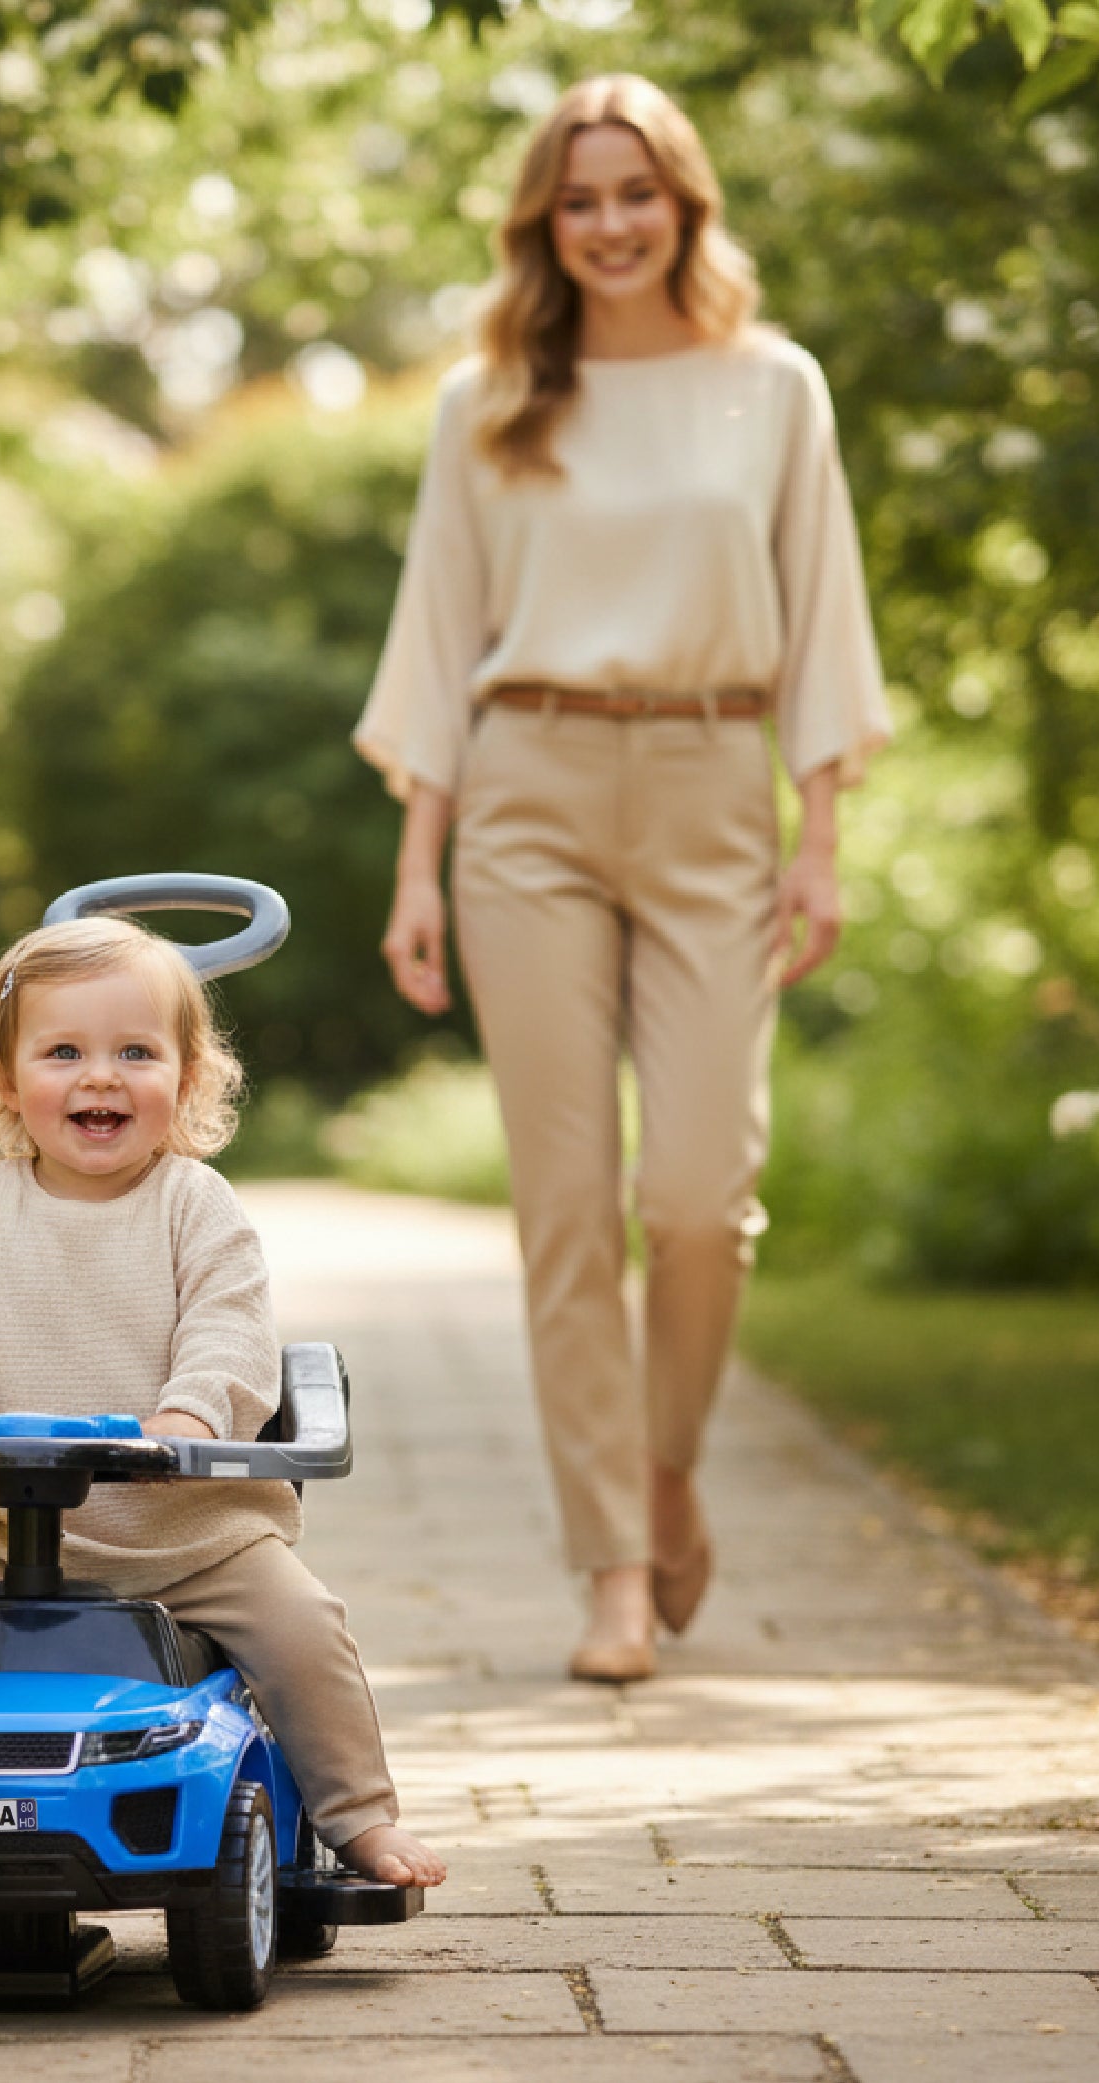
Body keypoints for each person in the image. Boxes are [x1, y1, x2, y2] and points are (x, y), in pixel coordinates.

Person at [355, 73, 890, 1683]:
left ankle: (660, 1470)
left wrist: (818, 838)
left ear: (683, 204)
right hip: (522, 788)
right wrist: (416, 865)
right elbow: (440, 632)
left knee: (698, 1194)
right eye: (575, 199)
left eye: (632, 194)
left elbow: (822, 613)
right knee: (566, 1208)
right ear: (543, 220)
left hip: (717, 783)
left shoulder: (770, 386)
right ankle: (610, 1562)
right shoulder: (490, 397)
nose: (606, 225)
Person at [0, 914, 445, 1889]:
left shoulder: (195, 1205)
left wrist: (189, 1418)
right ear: (4, 1079)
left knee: (304, 1630)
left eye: (135, 1051)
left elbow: (232, 1332)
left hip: (189, 1535)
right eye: (62, 1051)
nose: (99, 1076)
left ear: (187, 1079)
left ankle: (357, 1816)